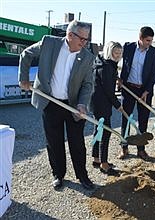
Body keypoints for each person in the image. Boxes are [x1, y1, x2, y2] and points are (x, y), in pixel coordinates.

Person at [18, 20, 95, 190]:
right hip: (50, 101)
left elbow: (87, 84)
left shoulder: (87, 57)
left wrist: (82, 104)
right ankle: (58, 175)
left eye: (86, 40)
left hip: (74, 105)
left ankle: (82, 175)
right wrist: (23, 77)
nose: (84, 43)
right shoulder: (49, 43)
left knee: (77, 142)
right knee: (54, 141)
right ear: (70, 35)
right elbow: (26, 54)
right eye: (82, 39)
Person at [118, 26, 155, 160]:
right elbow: (120, 63)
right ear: (140, 38)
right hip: (128, 88)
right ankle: (124, 147)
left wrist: (147, 91)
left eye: (151, 41)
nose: (149, 43)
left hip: (144, 91)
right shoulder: (128, 47)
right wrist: (119, 79)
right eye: (147, 40)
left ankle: (141, 150)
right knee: (126, 118)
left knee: (143, 120)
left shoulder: (154, 53)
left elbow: (154, 74)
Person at [91, 41, 123, 175]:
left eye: (120, 53)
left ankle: (96, 158)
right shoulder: (106, 67)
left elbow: (110, 79)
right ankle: (104, 164)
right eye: (115, 53)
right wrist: (118, 105)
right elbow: (109, 90)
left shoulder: (102, 62)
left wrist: (117, 78)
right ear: (109, 51)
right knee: (106, 131)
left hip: (96, 101)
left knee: (98, 129)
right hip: (101, 102)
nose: (118, 56)